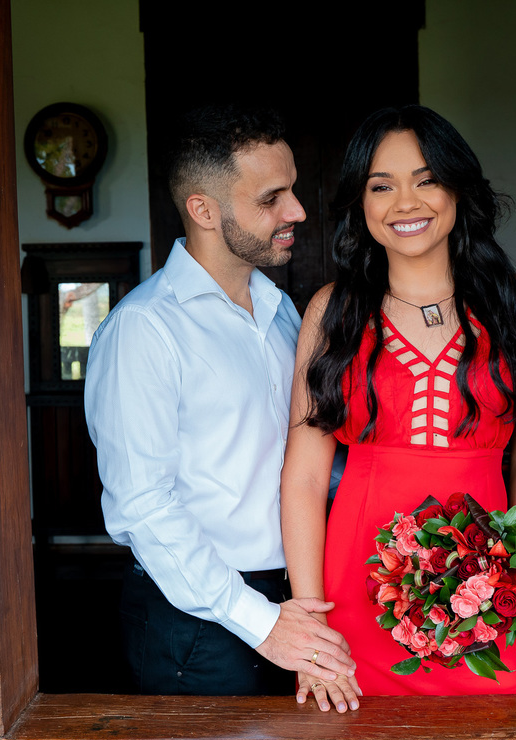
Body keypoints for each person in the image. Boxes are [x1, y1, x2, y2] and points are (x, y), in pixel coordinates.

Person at [281, 105, 516, 709]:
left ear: (458, 188)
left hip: (483, 591)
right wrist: (311, 629)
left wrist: (503, 571)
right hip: (355, 588)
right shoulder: (334, 312)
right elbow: (303, 475)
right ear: (362, 203)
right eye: (383, 186)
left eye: (426, 179)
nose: (406, 202)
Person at [85, 105, 358, 697]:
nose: (297, 212)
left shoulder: (284, 310)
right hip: (197, 625)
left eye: (293, 190)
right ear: (203, 210)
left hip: (297, 599)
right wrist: (262, 624)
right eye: (271, 199)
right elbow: (143, 506)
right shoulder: (144, 329)